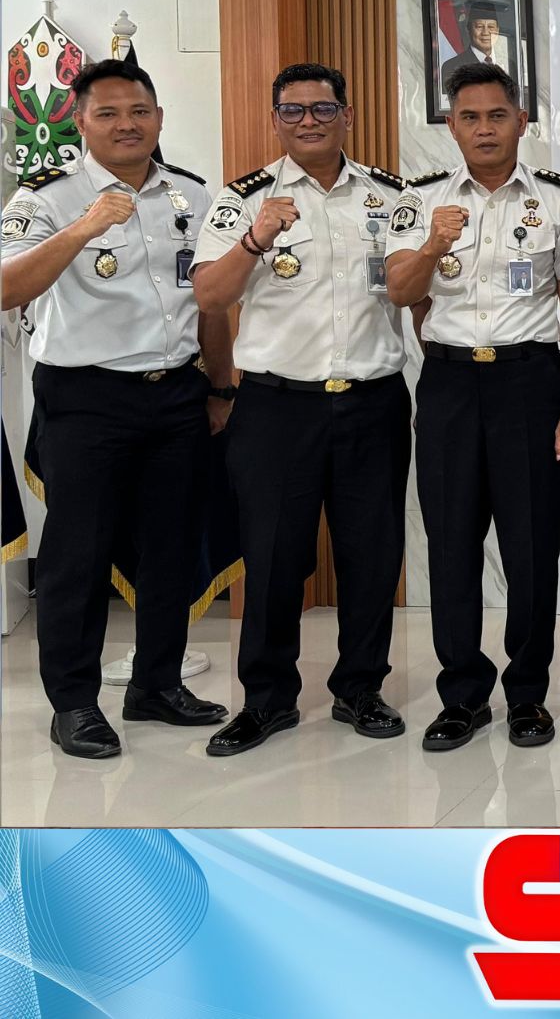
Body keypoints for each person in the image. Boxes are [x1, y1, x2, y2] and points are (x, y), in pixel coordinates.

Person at [0, 58, 230, 758]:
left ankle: (156, 684)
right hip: (86, 398)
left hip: (178, 392)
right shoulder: (45, 197)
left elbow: (210, 300)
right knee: (78, 555)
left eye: (139, 112)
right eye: (107, 113)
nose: (126, 125)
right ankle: (73, 702)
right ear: (80, 122)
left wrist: (221, 386)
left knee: (170, 547)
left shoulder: (193, 192)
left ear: (158, 118)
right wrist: (83, 226)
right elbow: (7, 287)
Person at [193, 62, 414, 756]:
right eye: (293, 111)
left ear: (348, 115)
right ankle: (266, 700)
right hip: (277, 407)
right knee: (272, 555)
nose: (309, 121)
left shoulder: (391, 196)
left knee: (372, 555)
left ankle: (360, 689)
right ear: (276, 120)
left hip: (373, 402)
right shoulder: (243, 198)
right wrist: (256, 237)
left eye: (322, 108)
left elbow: (416, 289)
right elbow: (210, 297)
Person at [385, 62, 560, 751]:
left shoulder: (559, 200)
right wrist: (433, 243)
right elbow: (401, 292)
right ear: (450, 126)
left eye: (497, 116)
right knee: (450, 543)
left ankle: (527, 693)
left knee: (531, 545)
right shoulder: (419, 200)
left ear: (521, 122)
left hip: (531, 382)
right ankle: (462, 695)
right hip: (449, 385)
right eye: (469, 117)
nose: (484, 129)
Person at [442, 0, 508, 78]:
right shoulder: (451, 66)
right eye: (479, 26)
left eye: (491, 27)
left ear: (497, 30)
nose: (485, 32)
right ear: (468, 29)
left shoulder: (509, 64)